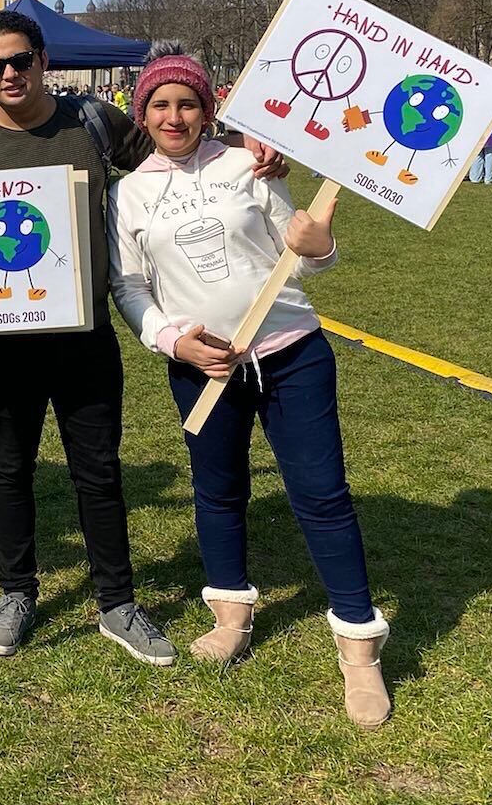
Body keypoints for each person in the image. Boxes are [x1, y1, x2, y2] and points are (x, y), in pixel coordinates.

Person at [0, 13, 286, 665]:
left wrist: (253, 152)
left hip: (85, 335)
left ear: (43, 60)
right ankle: (17, 592)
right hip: (6, 344)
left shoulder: (93, 122)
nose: (9, 75)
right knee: (10, 469)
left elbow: (178, 158)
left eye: (19, 61)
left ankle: (117, 603)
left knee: (98, 473)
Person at [107, 45, 390, 729]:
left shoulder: (249, 164)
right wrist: (172, 340)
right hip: (203, 370)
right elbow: (129, 285)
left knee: (321, 495)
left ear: (209, 109)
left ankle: (359, 646)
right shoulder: (129, 192)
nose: (176, 116)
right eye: (161, 105)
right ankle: (230, 613)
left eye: (189, 103)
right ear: (142, 114)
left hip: (292, 353)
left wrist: (319, 244)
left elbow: (306, 259)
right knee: (219, 490)